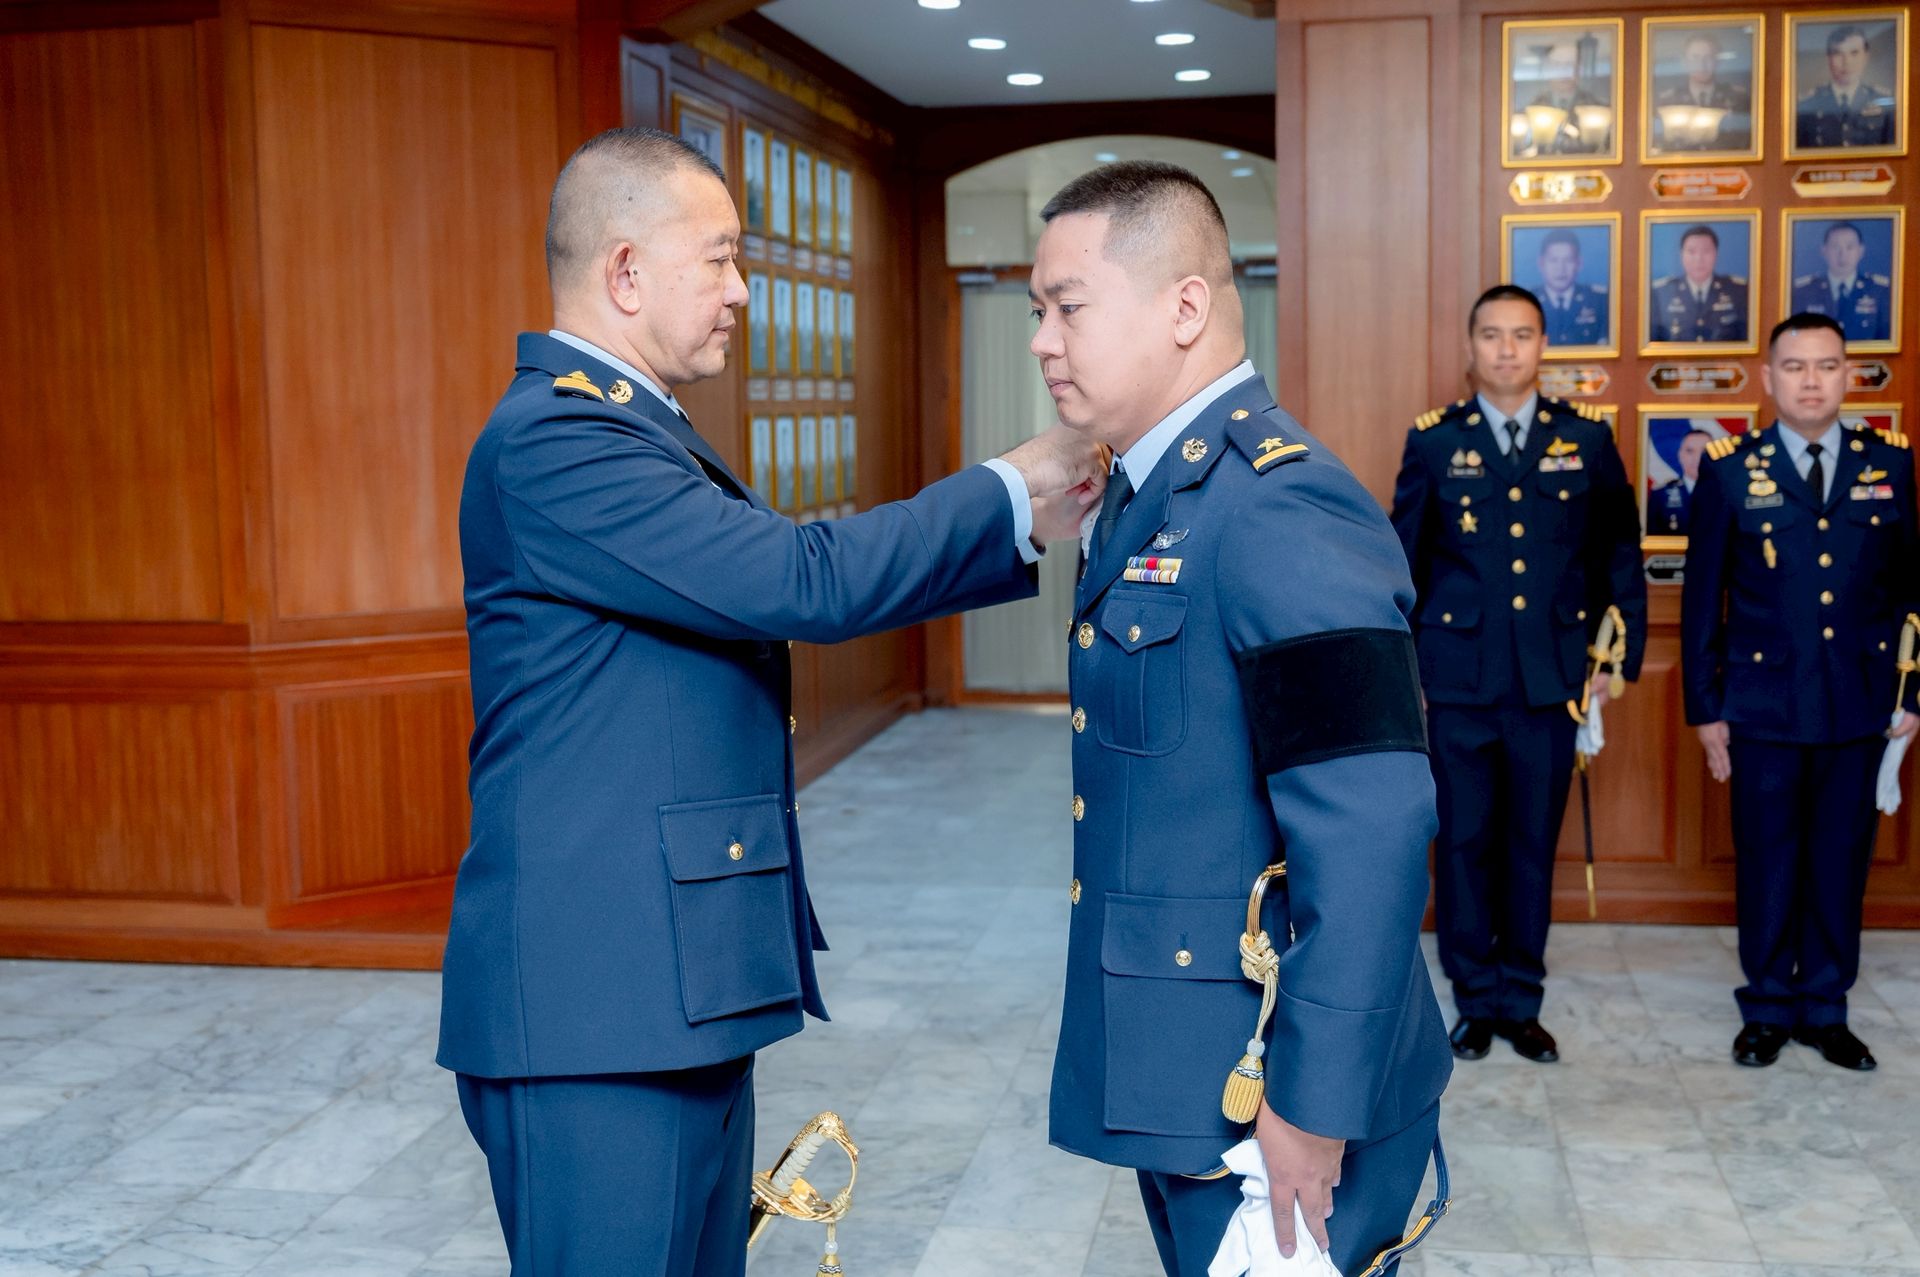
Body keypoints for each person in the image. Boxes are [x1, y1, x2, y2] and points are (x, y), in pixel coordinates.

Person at [437, 126, 1104, 1274]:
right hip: (597, 1006)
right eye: (720, 258)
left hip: (663, 986)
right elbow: (798, 579)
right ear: (626, 271)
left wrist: (1020, 521)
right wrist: (1010, 482)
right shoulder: (559, 437)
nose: (742, 290)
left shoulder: (630, 422)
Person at [1031, 159, 1450, 1276]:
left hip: (1272, 1086)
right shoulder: (1155, 491)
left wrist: (1314, 1101)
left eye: (1068, 307)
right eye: (1036, 312)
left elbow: (1369, 830)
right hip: (1186, 1064)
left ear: (1185, 307)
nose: (1043, 340)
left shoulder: (1280, 504)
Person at [1391, 285, 1646, 1066]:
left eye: (1522, 334)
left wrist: (1613, 658)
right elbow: (1404, 564)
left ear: (1543, 346)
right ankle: (1474, 997)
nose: (1507, 349)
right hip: (1458, 681)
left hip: (1550, 679)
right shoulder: (1434, 441)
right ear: (1470, 347)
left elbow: (1618, 555)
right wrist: (1406, 670)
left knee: (1532, 845)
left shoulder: (1586, 439)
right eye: (1492, 334)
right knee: (1464, 844)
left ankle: (1521, 998)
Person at [1681, 312, 1920, 1073]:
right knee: (1768, 860)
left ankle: (1825, 1008)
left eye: (1826, 365)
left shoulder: (1890, 464)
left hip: (1860, 701)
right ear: (1768, 378)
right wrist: (1706, 708)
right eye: (1795, 366)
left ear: (1849, 374)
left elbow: (1909, 592)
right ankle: (1766, 1007)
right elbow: (1702, 600)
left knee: (1840, 861)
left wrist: (1912, 692)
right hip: (1762, 705)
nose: (1811, 380)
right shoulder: (1729, 470)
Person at [1796, 24, 1897, 150]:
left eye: (1854, 53)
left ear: (1866, 57)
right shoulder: (1808, 104)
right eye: (1838, 54)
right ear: (1828, 58)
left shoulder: (1885, 102)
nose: (1846, 62)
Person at [1790, 221, 1894, 343]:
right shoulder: (1804, 291)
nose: (1842, 255)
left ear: (1861, 251)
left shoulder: (1879, 291)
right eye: (1835, 247)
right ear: (1824, 251)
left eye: (1849, 247)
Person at [1648, 224, 1750, 344]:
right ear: (1681, 255)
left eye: (1706, 251)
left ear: (1716, 254)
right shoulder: (1661, 293)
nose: (1699, 259)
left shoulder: (1738, 291)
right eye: (1691, 252)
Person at [1654, 32, 1752, 151]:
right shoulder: (1668, 100)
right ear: (1685, 62)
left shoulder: (1738, 98)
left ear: (1717, 61)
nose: (1701, 64)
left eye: (1708, 57)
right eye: (1695, 57)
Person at [1527, 41, 1610, 154]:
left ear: (1579, 69)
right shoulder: (1528, 112)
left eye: (1570, 64)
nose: (1564, 70)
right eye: (1557, 64)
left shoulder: (1600, 111)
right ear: (1547, 69)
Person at [1534, 229, 1608, 349]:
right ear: (1541, 264)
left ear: (1579, 264)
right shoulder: (1528, 302)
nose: (1560, 269)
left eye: (1568, 260)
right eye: (1553, 260)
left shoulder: (1600, 301)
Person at [1653, 428, 1713, 535]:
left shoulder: (1729, 495)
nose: (1697, 458)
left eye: (1704, 451)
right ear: (1680, 455)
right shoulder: (1660, 496)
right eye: (1690, 451)